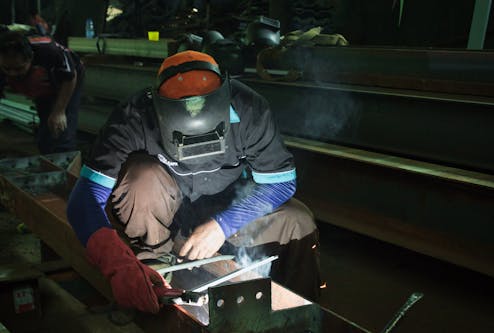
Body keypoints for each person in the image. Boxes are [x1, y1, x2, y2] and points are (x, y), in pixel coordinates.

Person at [66, 50, 321, 314]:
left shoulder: (249, 109)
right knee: (141, 177)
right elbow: (83, 200)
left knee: (297, 220)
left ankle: (299, 313)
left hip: (228, 211)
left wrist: (223, 225)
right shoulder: (134, 116)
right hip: (167, 216)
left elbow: (282, 183)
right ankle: (155, 262)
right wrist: (117, 264)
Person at [0, 30, 84, 154]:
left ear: (31, 58)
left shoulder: (49, 51)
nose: (12, 73)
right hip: (41, 79)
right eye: (7, 69)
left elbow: (70, 76)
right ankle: (46, 151)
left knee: (61, 126)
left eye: (18, 68)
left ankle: (64, 155)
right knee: (46, 125)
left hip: (69, 77)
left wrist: (59, 111)